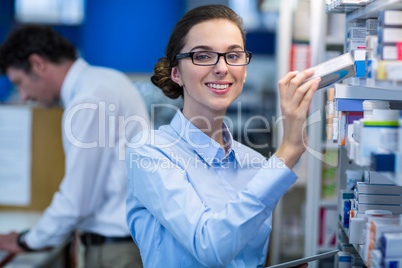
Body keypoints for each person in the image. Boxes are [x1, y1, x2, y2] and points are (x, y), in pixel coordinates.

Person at [125, 4, 320, 268]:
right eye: (203, 56)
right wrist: (289, 150)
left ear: (244, 69)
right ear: (176, 73)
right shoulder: (150, 152)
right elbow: (210, 246)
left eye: (233, 55)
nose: (221, 68)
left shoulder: (255, 164)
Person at [0, 25, 149, 268]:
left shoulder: (88, 98)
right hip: (123, 244)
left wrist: (27, 240)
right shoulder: (106, 79)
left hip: (115, 252)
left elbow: (77, 200)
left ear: (38, 63)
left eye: (20, 83)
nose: (24, 96)